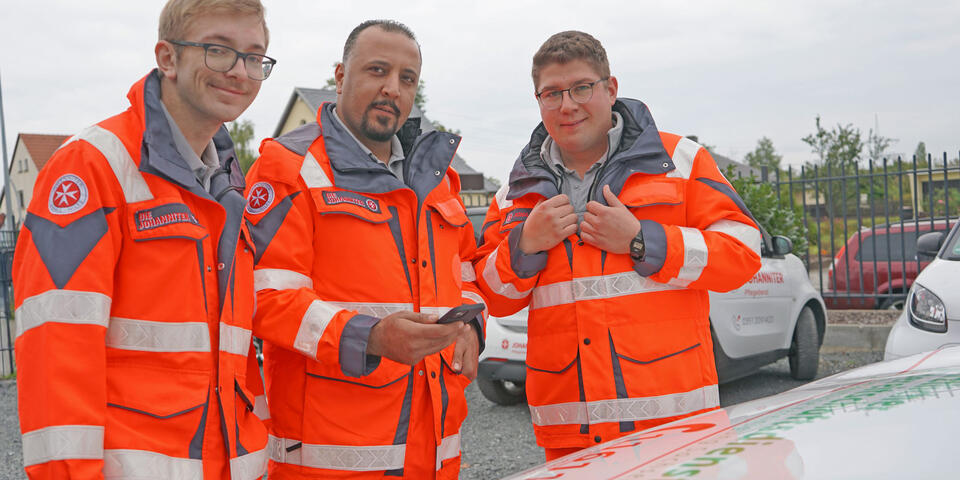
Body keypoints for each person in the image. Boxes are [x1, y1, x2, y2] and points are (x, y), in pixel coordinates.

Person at [13, 1, 274, 478]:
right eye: (219, 50)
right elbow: (57, 349)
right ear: (168, 58)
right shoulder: (92, 167)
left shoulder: (229, 184)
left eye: (255, 57)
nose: (240, 71)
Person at [473, 31, 762, 461]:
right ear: (538, 101)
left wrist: (643, 241)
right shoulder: (515, 194)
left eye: (581, 88)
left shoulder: (680, 161)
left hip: (676, 431)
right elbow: (492, 296)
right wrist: (525, 245)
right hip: (570, 440)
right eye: (551, 93)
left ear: (611, 89)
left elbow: (743, 253)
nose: (567, 104)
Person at [243, 20, 485, 479]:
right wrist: (369, 336)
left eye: (406, 78)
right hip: (331, 457)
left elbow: (467, 274)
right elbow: (264, 296)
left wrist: (471, 326)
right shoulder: (287, 169)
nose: (391, 88)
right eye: (377, 70)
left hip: (434, 452)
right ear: (339, 76)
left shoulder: (438, 179)